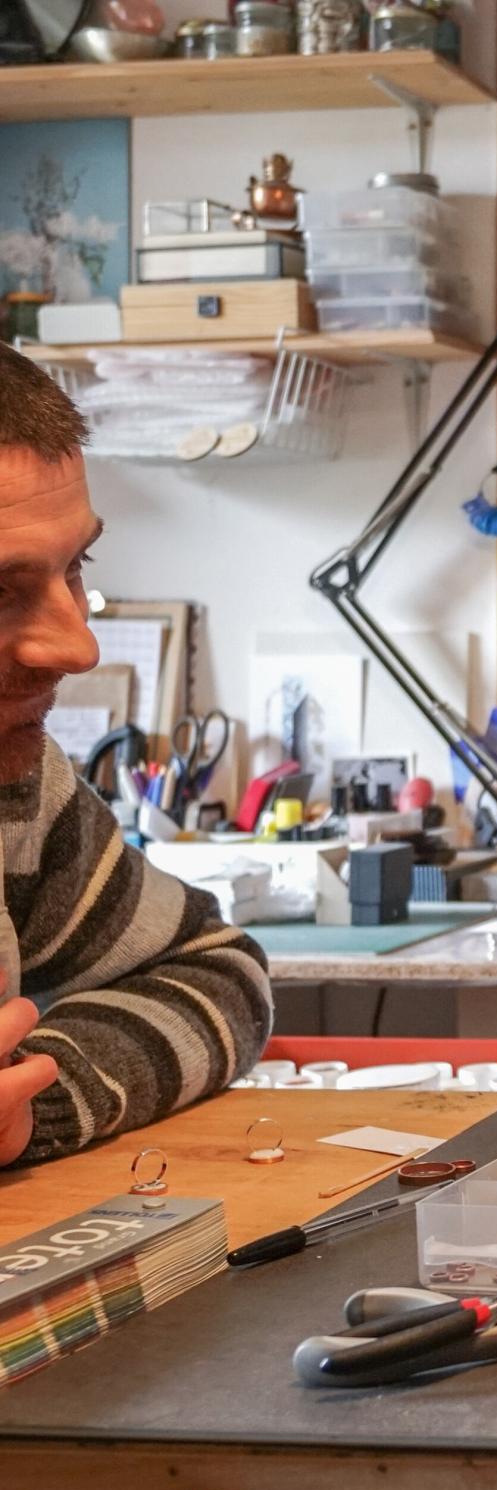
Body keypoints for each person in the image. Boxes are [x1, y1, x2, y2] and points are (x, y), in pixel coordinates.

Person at [0, 344, 274, 1168]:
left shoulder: (19, 792)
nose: (78, 647)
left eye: (75, 567)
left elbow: (216, 974)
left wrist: (32, 1101)